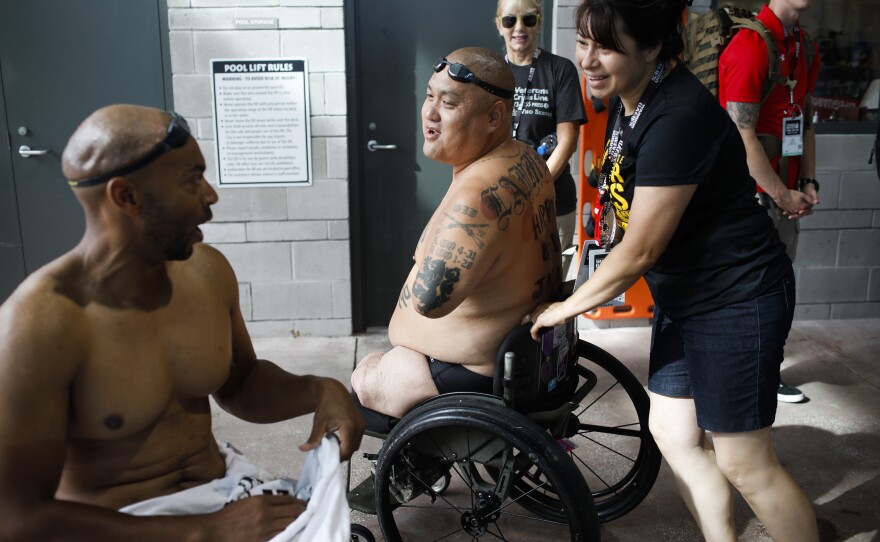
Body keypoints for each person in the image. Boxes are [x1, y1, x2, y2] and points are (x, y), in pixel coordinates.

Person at [0, 104, 364, 541]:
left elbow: (241, 384)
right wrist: (205, 531)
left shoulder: (206, 272)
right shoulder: (40, 324)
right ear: (126, 197)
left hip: (222, 493)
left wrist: (321, 389)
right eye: (192, 180)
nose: (211, 195)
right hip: (124, 525)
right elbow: (17, 518)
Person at [529, 1, 820, 540]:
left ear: (654, 48)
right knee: (674, 432)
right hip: (686, 297)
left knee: (745, 463)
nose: (588, 60)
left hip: (738, 297)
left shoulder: (678, 114)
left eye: (607, 46)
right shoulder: (629, 98)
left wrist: (567, 306)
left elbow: (641, 250)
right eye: (583, 41)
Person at [350, 47, 562, 422]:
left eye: (447, 103)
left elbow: (430, 301)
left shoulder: (478, 195)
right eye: (429, 95)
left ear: (495, 116)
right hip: (514, 352)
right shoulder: (527, 158)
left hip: (472, 371)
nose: (429, 113)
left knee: (366, 376)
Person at [719, 0, 821, 404]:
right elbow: (740, 135)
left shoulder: (804, 46)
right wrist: (781, 195)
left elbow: (806, 119)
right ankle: (742, 380)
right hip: (751, 201)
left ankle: (764, 372)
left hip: (786, 197)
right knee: (750, 296)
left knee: (774, 291)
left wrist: (808, 181)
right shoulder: (750, 45)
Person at [496, 0, 588, 275]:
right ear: (499, 25)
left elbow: (567, 140)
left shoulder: (560, 70)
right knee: (506, 285)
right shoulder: (489, 72)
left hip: (552, 201)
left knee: (550, 287)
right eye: (510, 20)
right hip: (500, 203)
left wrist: (534, 188)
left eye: (528, 19)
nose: (519, 28)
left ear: (540, 22)